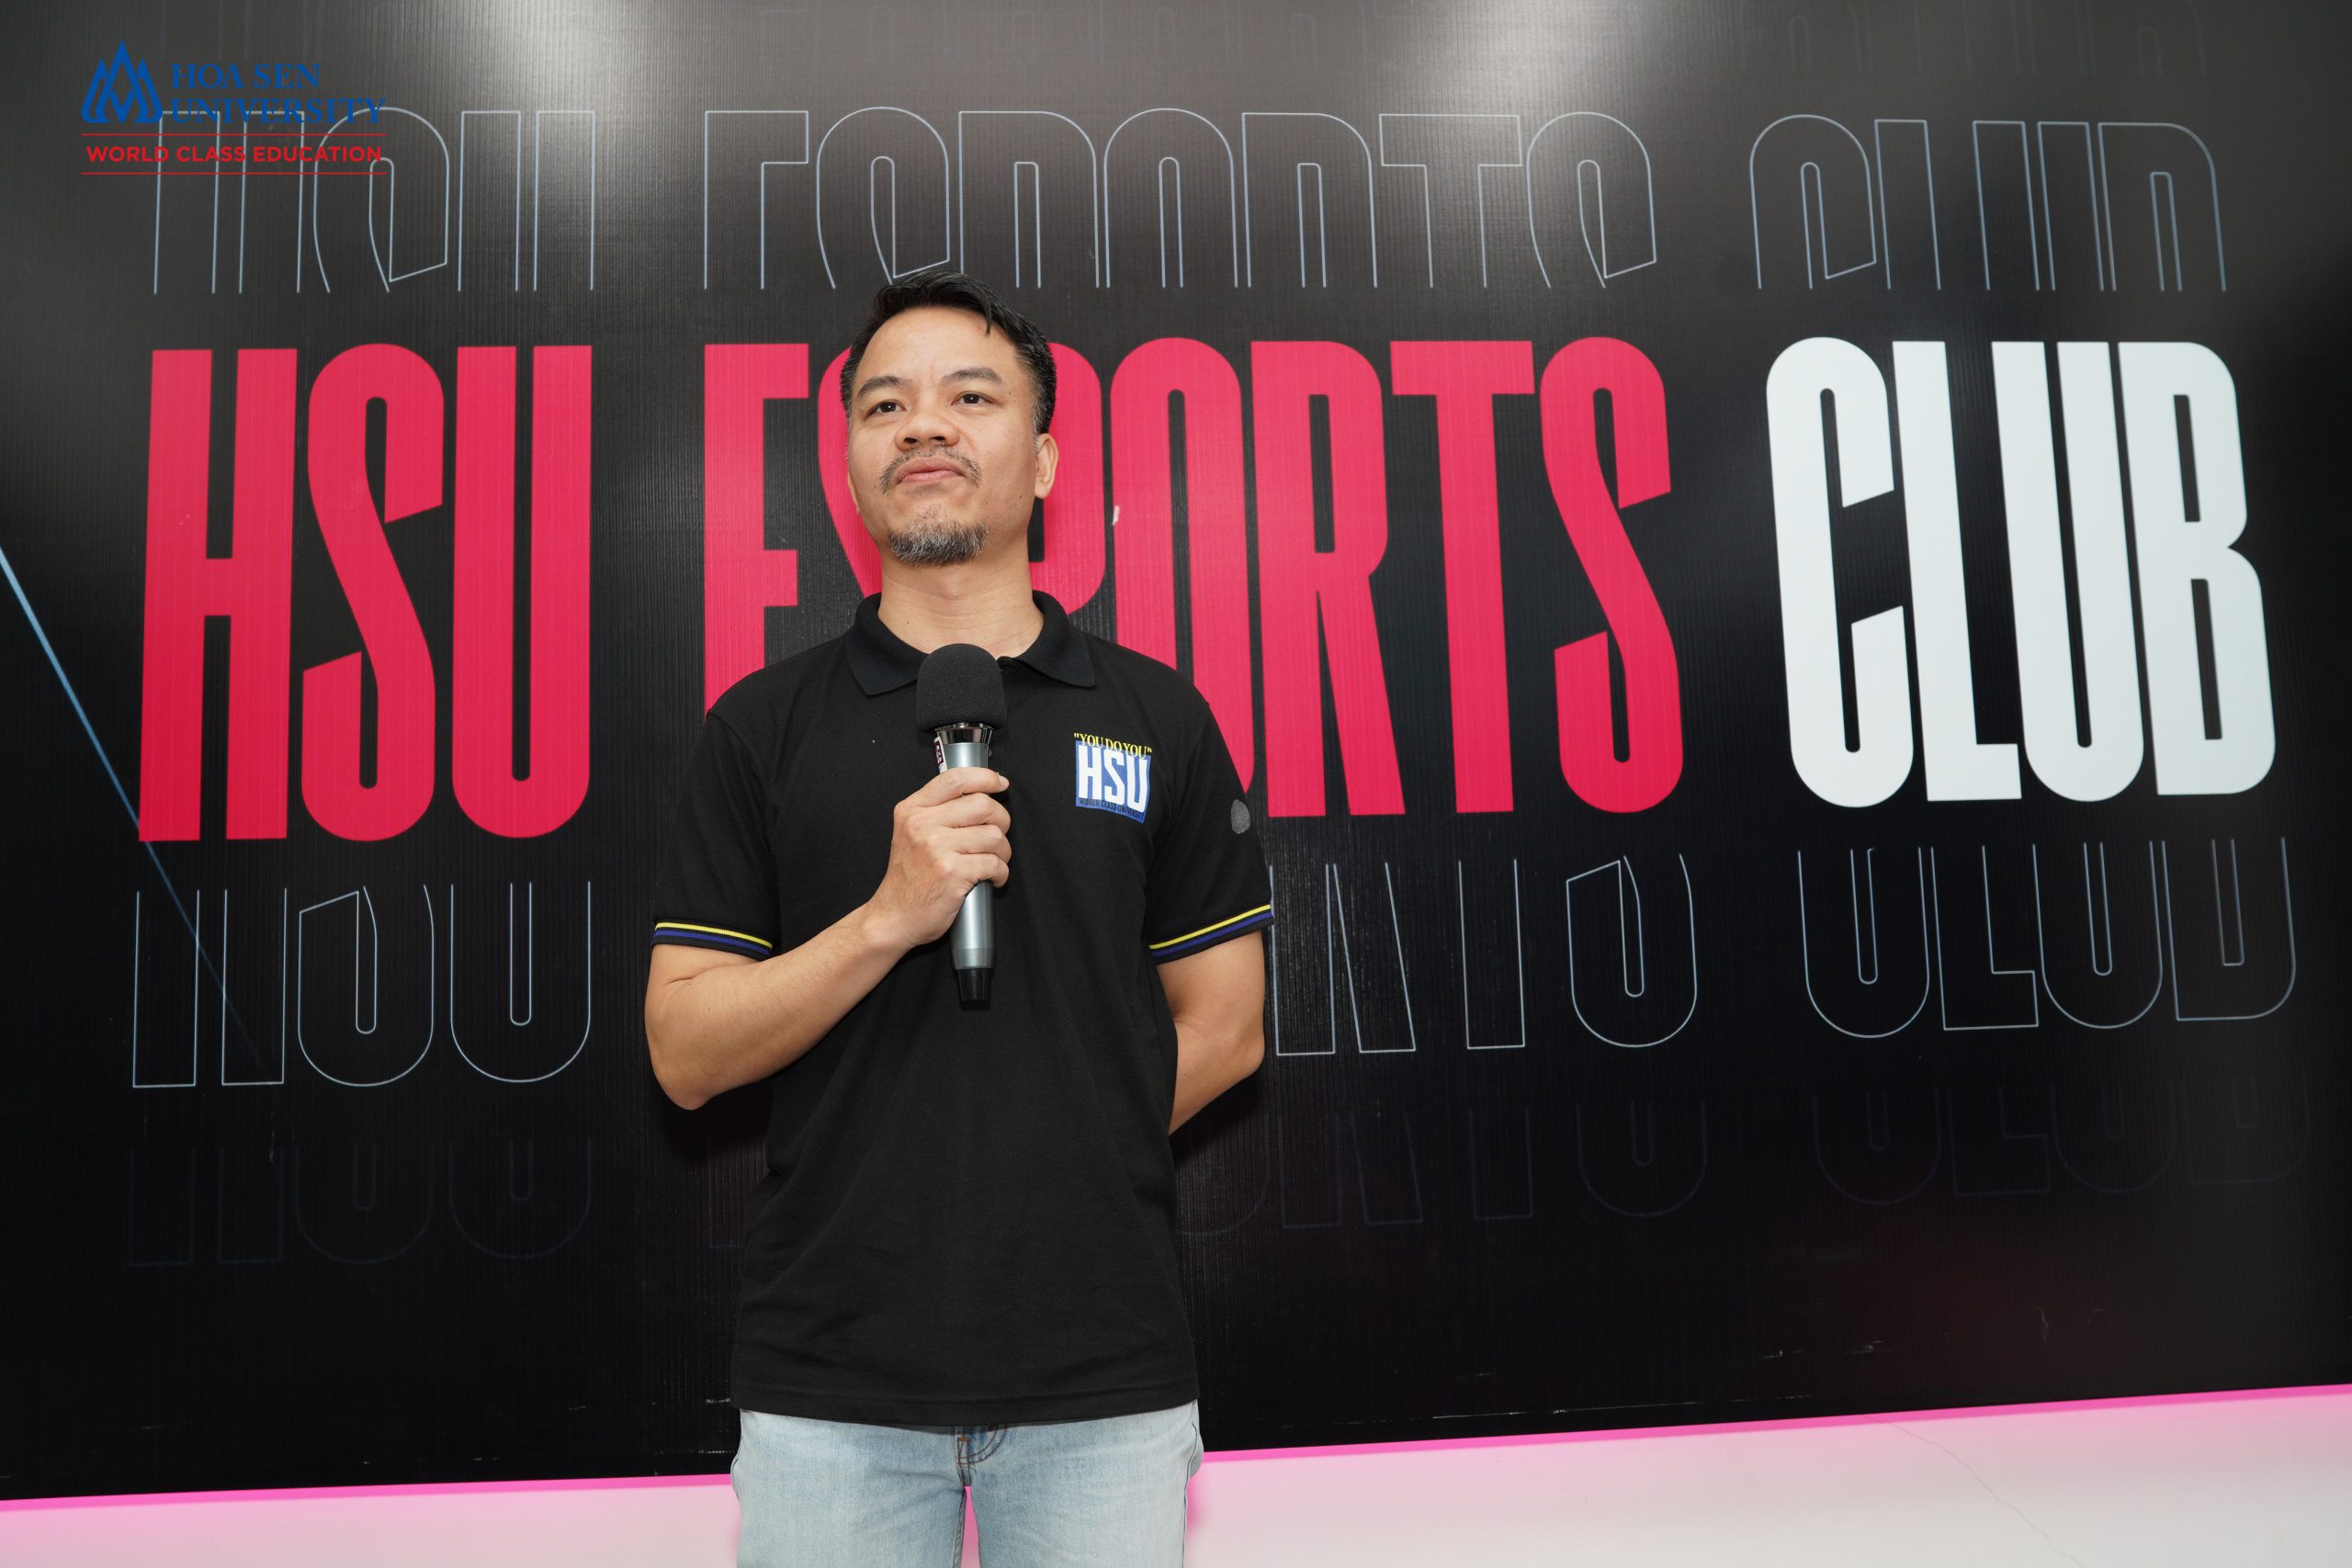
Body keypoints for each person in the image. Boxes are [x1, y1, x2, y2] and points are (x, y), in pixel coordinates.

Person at [643, 268, 1273, 1567]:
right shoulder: (760, 729)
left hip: (1102, 1374)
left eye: (970, 397)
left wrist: (1054, 1158)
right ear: (850, 466)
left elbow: (1228, 1027)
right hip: (833, 1383)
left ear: (1043, 461)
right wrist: (890, 915)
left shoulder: (1155, 716)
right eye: (885, 405)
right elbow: (685, 1052)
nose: (923, 424)